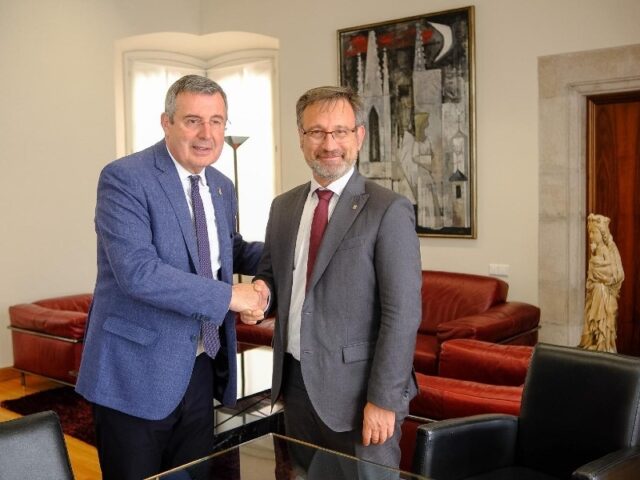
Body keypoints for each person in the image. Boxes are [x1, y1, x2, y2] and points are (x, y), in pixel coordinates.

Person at [76, 75, 267, 480]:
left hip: (199, 367)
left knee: (191, 475)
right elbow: (139, 272)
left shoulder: (220, 185)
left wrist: (287, 257)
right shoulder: (125, 178)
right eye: (193, 121)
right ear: (167, 122)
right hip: (134, 372)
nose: (206, 134)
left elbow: (227, 248)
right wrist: (231, 297)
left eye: (217, 121)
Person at [242, 86, 422, 473]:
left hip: (359, 394)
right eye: (317, 132)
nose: (329, 144)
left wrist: (384, 399)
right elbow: (272, 278)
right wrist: (260, 295)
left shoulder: (388, 209)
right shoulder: (283, 207)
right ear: (301, 138)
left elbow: (402, 314)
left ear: (359, 135)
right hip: (295, 386)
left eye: (340, 131)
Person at [579, 213, 624, 353]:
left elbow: (614, 272)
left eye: (594, 232)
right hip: (595, 294)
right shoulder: (595, 250)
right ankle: (595, 342)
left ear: (602, 233)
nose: (591, 236)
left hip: (604, 295)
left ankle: (603, 345)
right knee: (593, 321)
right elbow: (592, 274)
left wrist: (596, 265)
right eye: (590, 232)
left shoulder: (608, 249)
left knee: (603, 323)